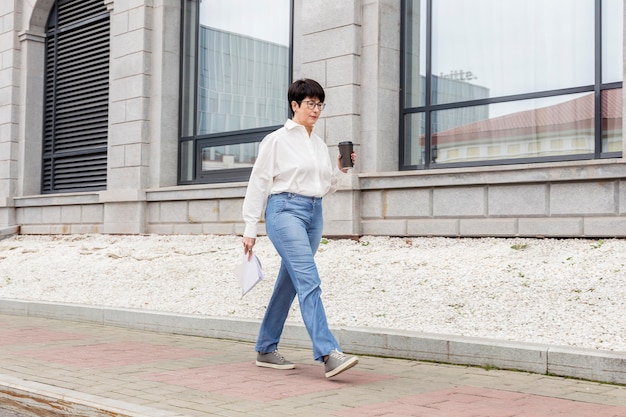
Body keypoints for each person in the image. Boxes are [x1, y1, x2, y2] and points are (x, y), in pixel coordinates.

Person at [241, 78, 358, 378]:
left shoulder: (318, 144)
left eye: (319, 104)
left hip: (313, 213)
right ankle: (328, 352)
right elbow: (259, 183)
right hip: (284, 212)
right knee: (308, 278)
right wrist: (250, 227)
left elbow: (323, 187)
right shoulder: (277, 140)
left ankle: (266, 348)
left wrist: (340, 171)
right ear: (295, 105)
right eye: (310, 104)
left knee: (291, 282)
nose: (316, 110)